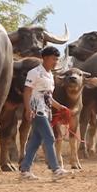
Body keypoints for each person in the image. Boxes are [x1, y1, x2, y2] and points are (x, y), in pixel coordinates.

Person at [20, 46, 73, 180]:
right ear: (44, 58)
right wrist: (28, 109)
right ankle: (55, 169)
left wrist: (60, 107)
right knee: (50, 138)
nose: (55, 62)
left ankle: (25, 170)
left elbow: (48, 96)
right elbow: (27, 91)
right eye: (53, 59)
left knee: (36, 141)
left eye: (57, 59)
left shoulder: (50, 75)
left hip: (46, 110)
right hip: (36, 110)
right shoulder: (34, 72)